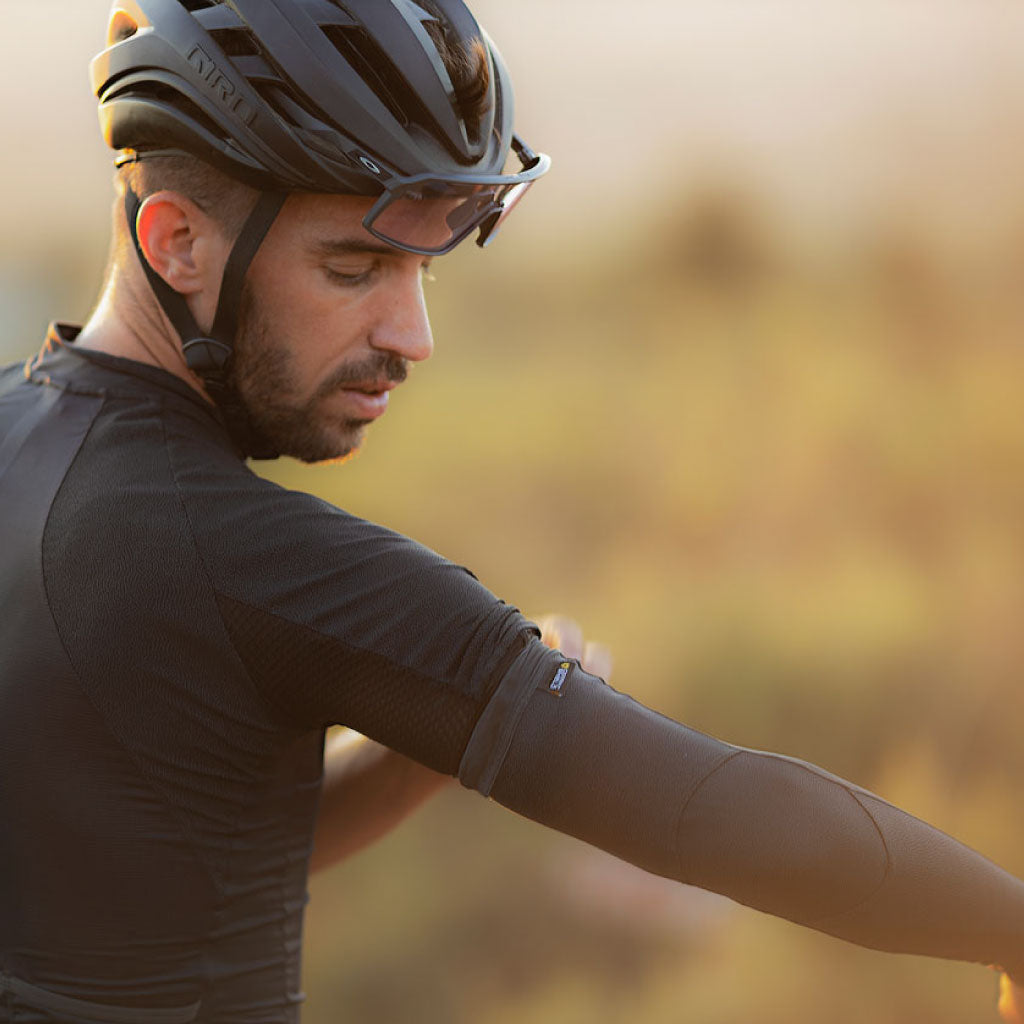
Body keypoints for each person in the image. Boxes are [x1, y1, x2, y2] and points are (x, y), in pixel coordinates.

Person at [0, 1, 1022, 1021]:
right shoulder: (251, 559)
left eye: (423, 267)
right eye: (353, 268)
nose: (411, 333)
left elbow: (141, 861)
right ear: (176, 241)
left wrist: (411, 756)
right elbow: (721, 812)